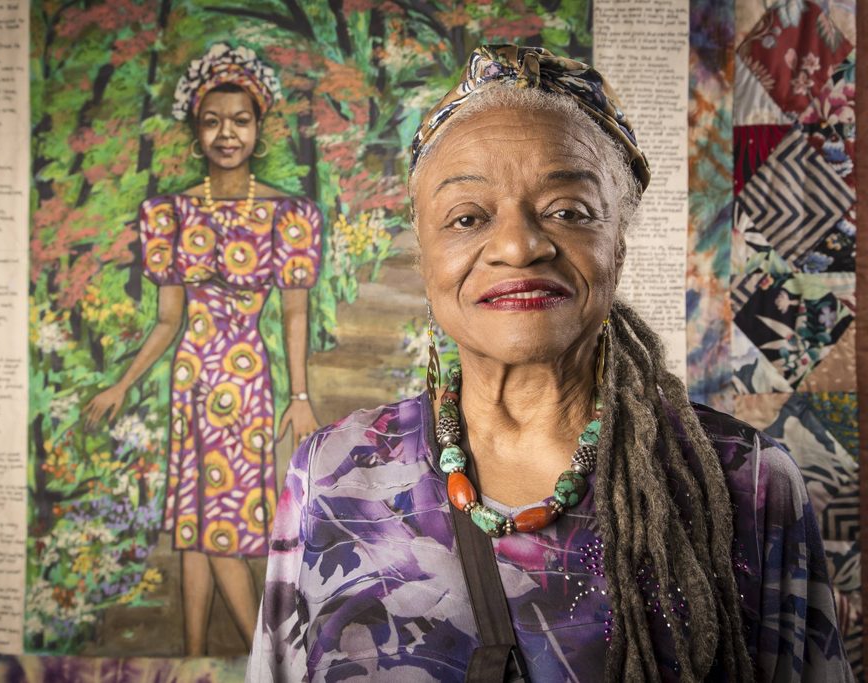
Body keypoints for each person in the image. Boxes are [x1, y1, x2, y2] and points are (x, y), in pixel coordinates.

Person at [247, 45, 852, 682]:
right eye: (467, 217)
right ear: (424, 257)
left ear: (617, 246)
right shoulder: (330, 475)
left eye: (567, 211)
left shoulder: (747, 483)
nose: (518, 246)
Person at [84, 43, 321, 655]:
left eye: (239, 120)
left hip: (243, 383)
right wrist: (123, 383)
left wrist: (299, 395)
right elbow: (168, 320)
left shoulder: (286, 214)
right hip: (190, 377)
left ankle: (268, 661)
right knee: (195, 527)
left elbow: (295, 311)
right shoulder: (172, 212)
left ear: (258, 128)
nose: (226, 134)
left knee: (223, 532)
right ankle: (193, 658)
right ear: (196, 130)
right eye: (212, 121)